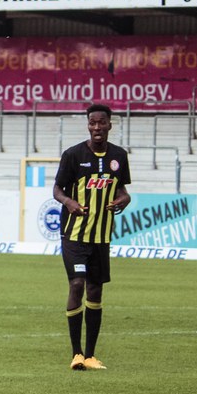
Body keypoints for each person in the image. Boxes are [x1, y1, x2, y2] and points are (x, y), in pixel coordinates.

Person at [53, 104, 131, 371]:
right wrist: (69, 202)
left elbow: (121, 190)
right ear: (88, 125)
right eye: (92, 123)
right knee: (77, 284)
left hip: (101, 235)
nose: (97, 127)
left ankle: (90, 356)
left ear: (110, 125)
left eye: (101, 122)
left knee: (95, 290)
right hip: (74, 234)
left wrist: (124, 199)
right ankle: (76, 354)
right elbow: (57, 189)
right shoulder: (73, 155)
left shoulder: (119, 156)